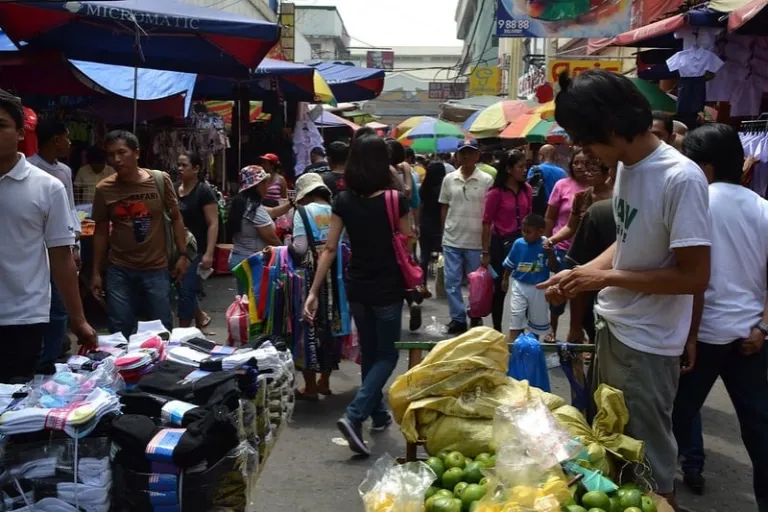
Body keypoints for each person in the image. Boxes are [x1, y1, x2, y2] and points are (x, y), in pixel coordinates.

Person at [541, 70, 711, 505]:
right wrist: (580, 274)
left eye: (586, 141)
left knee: (650, 466)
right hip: (615, 329)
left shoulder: (680, 178)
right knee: (614, 455)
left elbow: (694, 276)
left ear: (614, 131)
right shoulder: (628, 168)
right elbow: (627, 239)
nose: (584, 153)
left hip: (649, 345)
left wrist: (604, 278)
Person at [672, 124, 768, 508]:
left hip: (701, 336)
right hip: (749, 338)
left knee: (672, 418)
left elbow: (685, 275)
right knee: (759, 429)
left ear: (705, 167)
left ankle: (654, 492)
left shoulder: (695, 204)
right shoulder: (763, 208)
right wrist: (763, 327)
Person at [304, 134, 411, 456]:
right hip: (387, 287)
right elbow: (408, 239)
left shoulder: (344, 201)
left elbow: (330, 248)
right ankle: (354, 414)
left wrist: (313, 291)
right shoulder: (396, 199)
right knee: (388, 355)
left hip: (357, 287)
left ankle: (376, 412)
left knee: (370, 350)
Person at [0, 90, 96, 382]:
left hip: (21, 317)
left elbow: (61, 258)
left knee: (14, 407)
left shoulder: (46, 187)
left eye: (0, 125)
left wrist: (78, 320)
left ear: (19, 132)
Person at [92, 130, 190, 338]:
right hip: (119, 269)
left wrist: (183, 255)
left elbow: (176, 218)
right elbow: (100, 231)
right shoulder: (104, 189)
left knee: (161, 329)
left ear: (136, 153)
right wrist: (96, 272)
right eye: (111, 155)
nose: (116, 160)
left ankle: (162, 368)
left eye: (121, 152)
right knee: (120, 328)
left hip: (156, 268)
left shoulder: (159, 180)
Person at [28, 120, 83, 370]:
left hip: (61, 246)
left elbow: (70, 208)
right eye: (67, 136)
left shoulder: (65, 171)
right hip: (34, 250)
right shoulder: (29, 167)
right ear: (56, 139)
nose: (70, 142)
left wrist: (75, 242)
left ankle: (50, 356)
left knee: (59, 305)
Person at [290, 173, 340, 401]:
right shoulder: (335, 210)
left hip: (309, 277)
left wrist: (283, 248)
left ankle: (309, 385)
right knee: (330, 325)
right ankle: (325, 382)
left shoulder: (302, 213)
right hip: (335, 275)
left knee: (307, 328)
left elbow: (299, 248)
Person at [439, 139, 493, 334]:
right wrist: (443, 232)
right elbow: (444, 207)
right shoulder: (449, 178)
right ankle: (457, 318)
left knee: (476, 284)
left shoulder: (486, 180)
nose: (467, 156)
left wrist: (488, 243)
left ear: (478, 155)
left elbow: (490, 212)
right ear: (457, 156)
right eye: (463, 153)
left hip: (476, 241)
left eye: (471, 152)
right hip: (452, 239)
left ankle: (476, 316)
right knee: (451, 282)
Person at [481, 150, 533, 332]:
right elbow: (486, 222)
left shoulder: (527, 189)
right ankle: (496, 330)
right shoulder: (495, 193)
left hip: (524, 245)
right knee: (500, 290)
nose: (525, 170)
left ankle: (525, 330)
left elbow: (530, 217)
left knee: (527, 287)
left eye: (525, 166)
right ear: (509, 169)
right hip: (500, 245)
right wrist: (485, 251)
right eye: (521, 166)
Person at [543, 149, 592, 340]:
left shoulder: (600, 188)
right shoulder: (562, 185)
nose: (579, 166)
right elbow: (551, 217)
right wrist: (548, 240)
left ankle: (583, 334)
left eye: (584, 162)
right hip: (564, 249)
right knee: (559, 291)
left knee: (586, 296)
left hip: (592, 251)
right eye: (576, 163)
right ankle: (552, 330)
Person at [227, 165, 290, 295]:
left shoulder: (244, 203)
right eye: (264, 183)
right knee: (254, 305)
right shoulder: (253, 209)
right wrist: (286, 254)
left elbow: (272, 212)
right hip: (252, 261)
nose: (267, 186)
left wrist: (291, 204)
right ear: (256, 186)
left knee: (245, 301)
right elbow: (270, 237)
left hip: (239, 257)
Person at [175, 151, 218, 329]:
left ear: (196, 168)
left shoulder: (204, 191)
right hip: (177, 249)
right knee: (181, 287)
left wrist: (209, 253)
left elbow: (213, 223)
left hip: (197, 250)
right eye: (178, 164)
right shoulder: (174, 188)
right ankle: (200, 317)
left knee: (186, 291)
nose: (179, 168)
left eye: (184, 165)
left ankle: (183, 332)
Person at [502, 214, 559, 341]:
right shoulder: (518, 244)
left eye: (529, 232)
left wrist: (550, 254)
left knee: (537, 319)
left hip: (539, 287)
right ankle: (513, 347)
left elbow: (553, 267)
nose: (525, 235)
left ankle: (532, 345)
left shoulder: (546, 245)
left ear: (540, 232)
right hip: (519, 284)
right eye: (523, 231)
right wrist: (505, 278)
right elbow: (510, 263)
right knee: (516, 315)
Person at [418, 161, 446, 299]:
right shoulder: (444, 187)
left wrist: (417, 224)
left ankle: (422, 285)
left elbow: (420, 206)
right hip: (439, 226)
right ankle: (443, 287)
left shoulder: (424, 187)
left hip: (425, 225)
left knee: (424, 257)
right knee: (444, 258)